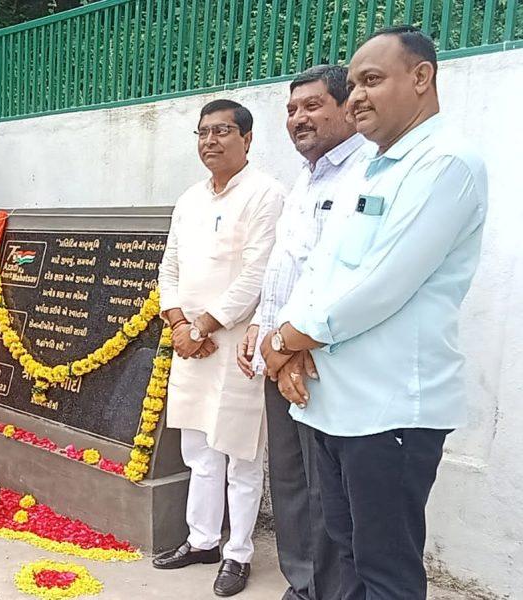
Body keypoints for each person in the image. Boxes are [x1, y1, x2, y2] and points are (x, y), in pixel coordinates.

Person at [263, 27, 488, 599]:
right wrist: (282, 347)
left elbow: (381, 285)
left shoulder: (446, 165)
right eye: (354, 83)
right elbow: (321, 271)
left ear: (421, 77)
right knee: (344, 552)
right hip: (333, 405)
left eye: (372, 79)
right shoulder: (368, 170)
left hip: (390, 412)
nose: (356, 95)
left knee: (386, 569)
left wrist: (288, 340)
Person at [235, 65, 367, 600]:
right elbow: (284, 266)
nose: (298, 118)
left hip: (317, 360)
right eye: (291, 109)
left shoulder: (363, 173)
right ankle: (302, 583)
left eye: (312, 106)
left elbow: (337, 274)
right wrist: (263, 326)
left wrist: (287, 345)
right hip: (278, 350)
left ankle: (329, 589)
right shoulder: (306, 176)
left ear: (346, 107)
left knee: (326, 491)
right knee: (289, 479)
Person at [152, 100, 285, 597]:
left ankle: (238, 553)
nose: (210, 140)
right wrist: (180, 323)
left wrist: (206, 326)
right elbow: (170, 267)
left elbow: (258, 273)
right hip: (191, 342)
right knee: (198, 449)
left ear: (247, 139)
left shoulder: (267, 194)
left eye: (222, 131)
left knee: (241, 453)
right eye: (203, 132)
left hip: (236, 345)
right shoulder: (189, 199)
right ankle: (203, 539)